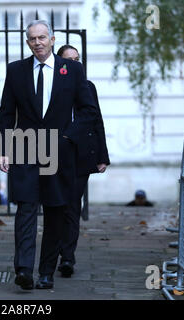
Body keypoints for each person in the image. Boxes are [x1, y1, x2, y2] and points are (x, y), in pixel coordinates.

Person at [0, 20, 98, 290]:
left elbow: (88, 110)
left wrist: (67, 138)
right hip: (25, 149)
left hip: (60, 154)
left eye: (43, 37)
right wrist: (4, 149)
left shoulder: (72, 70)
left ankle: (46, 272)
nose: (38, 42)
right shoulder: (16, 70)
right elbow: (6, 112)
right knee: (26, 209)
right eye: (33, 39)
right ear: (27, 42)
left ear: (52, 40)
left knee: (55, 213)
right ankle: (24, 270)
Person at [56, 44, 110, 278]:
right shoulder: (51, 85)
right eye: (69, 60)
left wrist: (102, 156)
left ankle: (67, 257)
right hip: (54, 153)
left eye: (78, 59)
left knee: (72, 206)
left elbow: (96, 120)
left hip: (80, 154)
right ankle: (55, 249)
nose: (76, 64)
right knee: (56, 205)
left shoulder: (88, 87)